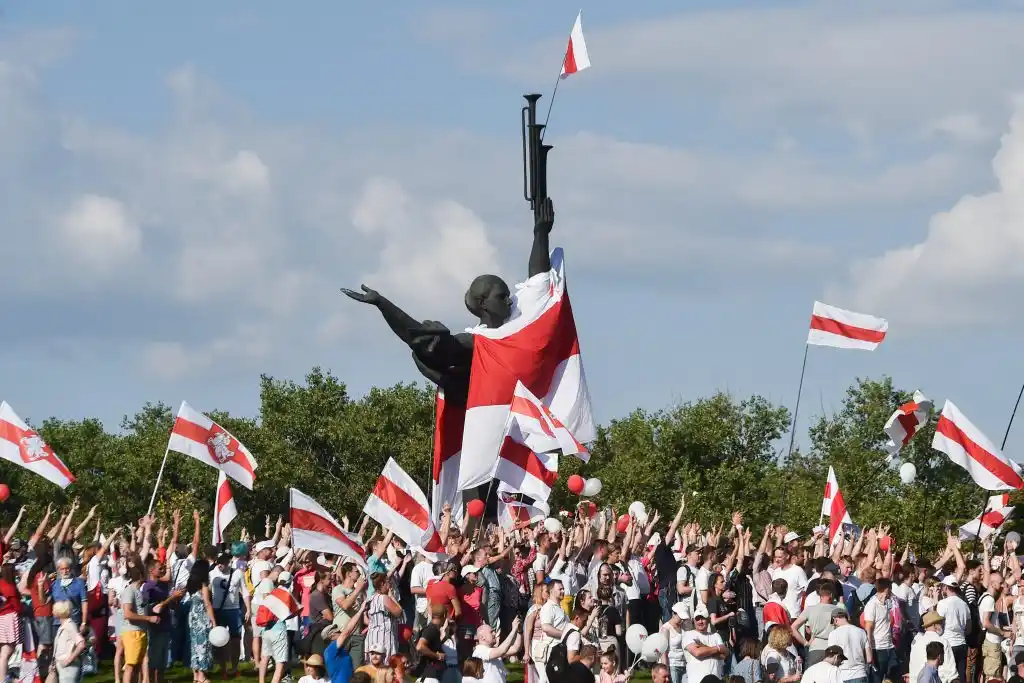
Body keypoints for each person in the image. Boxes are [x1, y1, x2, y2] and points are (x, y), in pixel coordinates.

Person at [186, 560, 216, 683]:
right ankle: (202, 675)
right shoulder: (203, 584)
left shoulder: (191, 583)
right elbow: (207, 604)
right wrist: (214, 621)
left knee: (194, 646)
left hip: (193, 617)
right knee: (203, 646)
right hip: (202, 618)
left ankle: (195, 675)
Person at [684, 606, 728, 683]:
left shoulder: (715, 635)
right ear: (693, 621)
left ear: (708, 620)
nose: (700, 622)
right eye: (697, 619)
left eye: (703, 619)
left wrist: (702, 647)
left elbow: (725, 654)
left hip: (716, 680)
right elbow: (698, 653)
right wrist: (718, 649)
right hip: (697, 680)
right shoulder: (689, 634)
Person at [907, 612, 956, 683]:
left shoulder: (916, 641)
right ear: (934, 625)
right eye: (940, 623)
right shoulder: (942, 642)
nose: (942, 625)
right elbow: (951, 671)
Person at [826, 609, 869, 683]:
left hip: (842, 675)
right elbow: (869, 659)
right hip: (860, 674)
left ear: (835, 619)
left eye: (833, 623)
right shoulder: (861, 632)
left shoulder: (833, 634)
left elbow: (832, 659)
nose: (834, 625)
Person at [53, 600, 87, 683]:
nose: (52, 612)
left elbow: (81, 644)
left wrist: (69, 660)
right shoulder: (63, 626)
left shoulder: (70, 625)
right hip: (62, 667)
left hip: (69, 668)